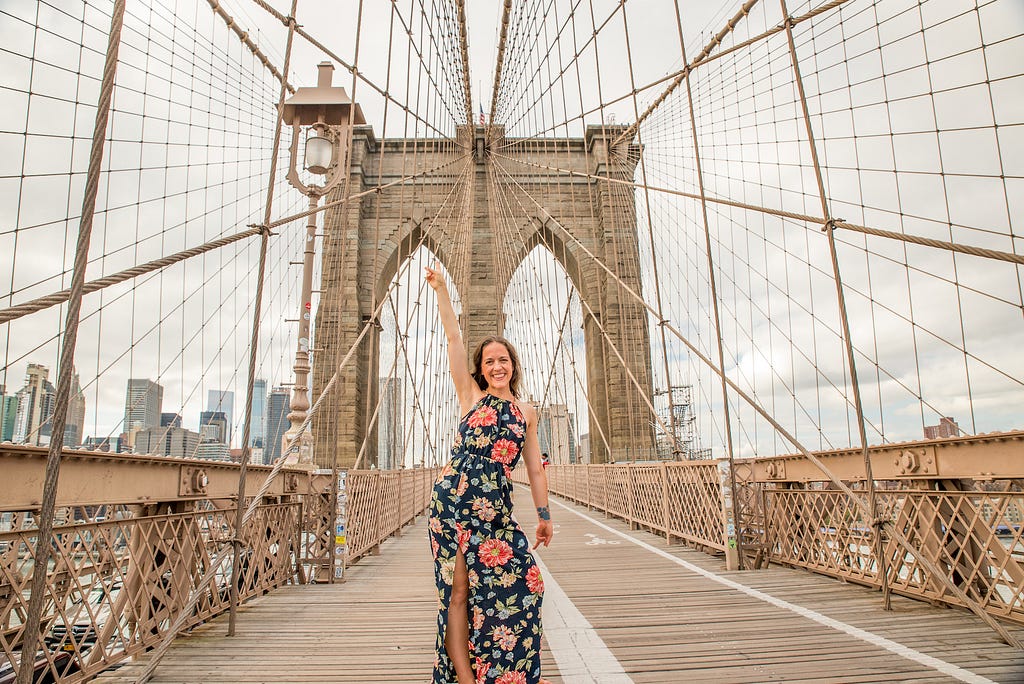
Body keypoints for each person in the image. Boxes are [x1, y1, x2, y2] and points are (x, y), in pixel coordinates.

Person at [425, 262, 553, 684]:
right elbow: (452, 339)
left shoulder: (527, 413)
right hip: (453, 502)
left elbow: (534, 468)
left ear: (512, 365)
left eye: (503, 360)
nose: (496, 366)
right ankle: (465, 678)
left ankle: (504, 672)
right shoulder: (470, 396)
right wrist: (443, 290)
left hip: (495, 510)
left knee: (526, 583)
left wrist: (544, 515)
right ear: (481, 369)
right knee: (458, 592)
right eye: (489, 361)